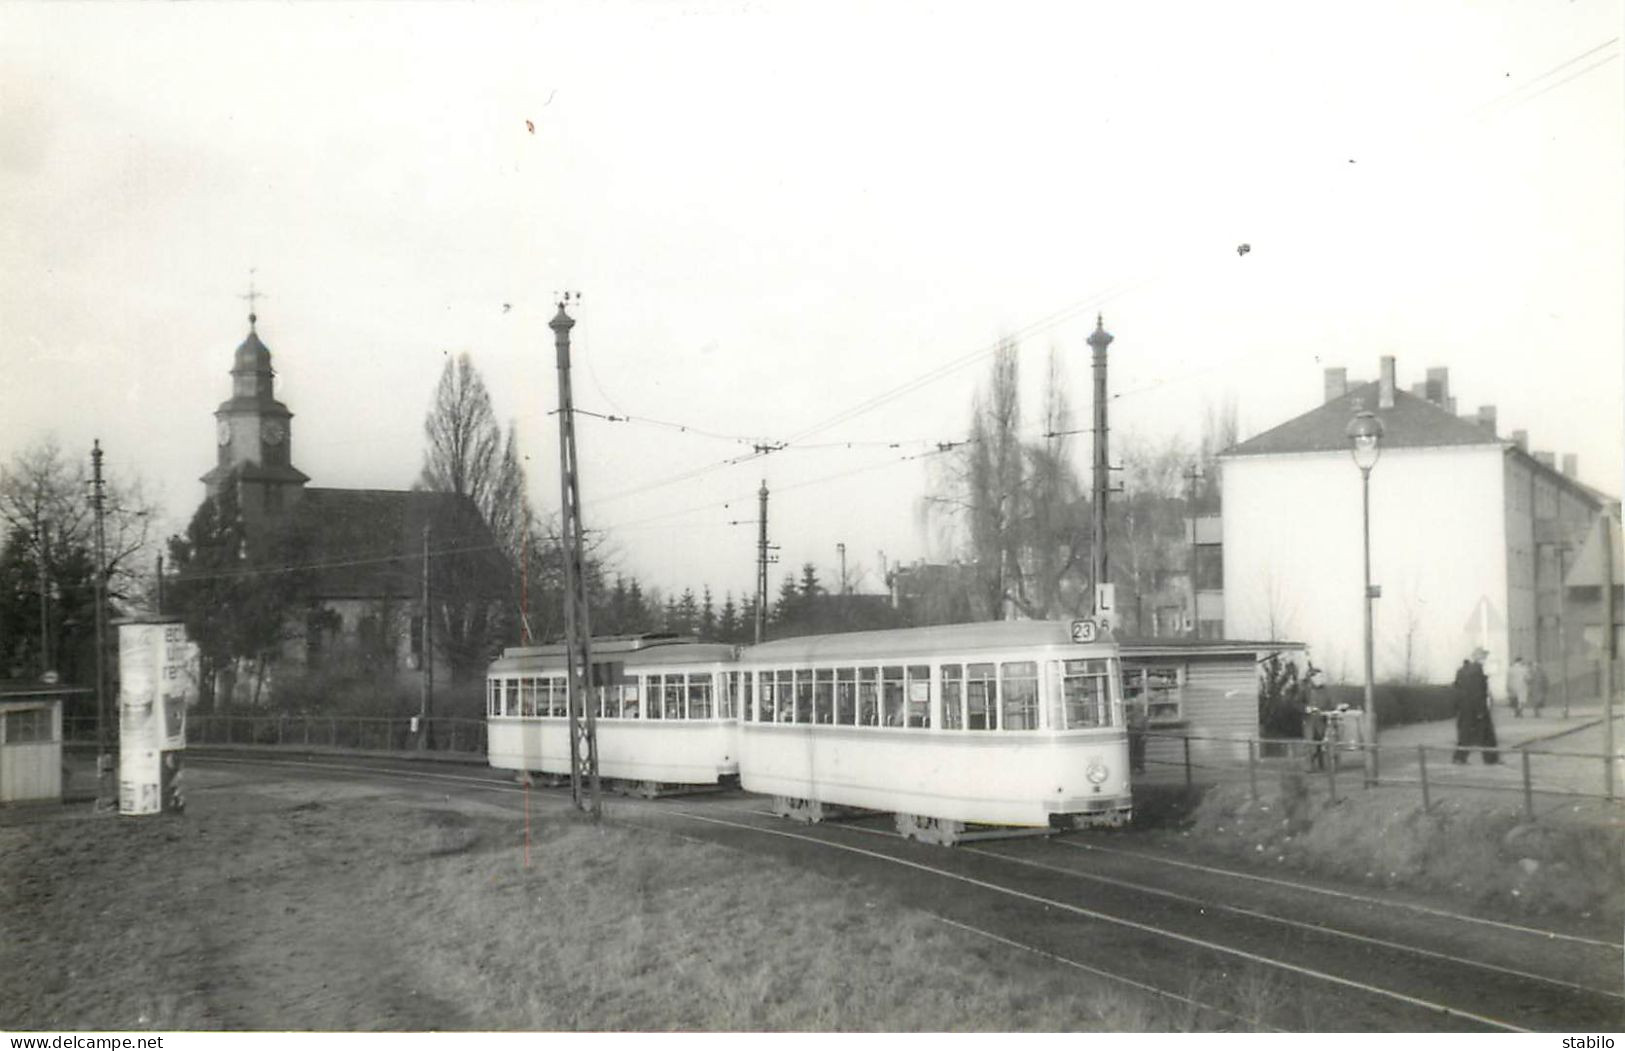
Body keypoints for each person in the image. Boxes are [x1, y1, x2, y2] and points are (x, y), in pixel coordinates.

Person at [1453, 647, 1500, 764]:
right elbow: (1478, 692)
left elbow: (1456, 689)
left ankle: (1459, 758)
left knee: (1465, 735)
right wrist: (1480, 711)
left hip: (1465, 709)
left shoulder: (1462, 671)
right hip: (1478, 709)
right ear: (1481, 658)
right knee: (1487, 735)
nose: (1486, 660)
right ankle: (1491, 759)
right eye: (1485, 657)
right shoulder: (1478, 671)